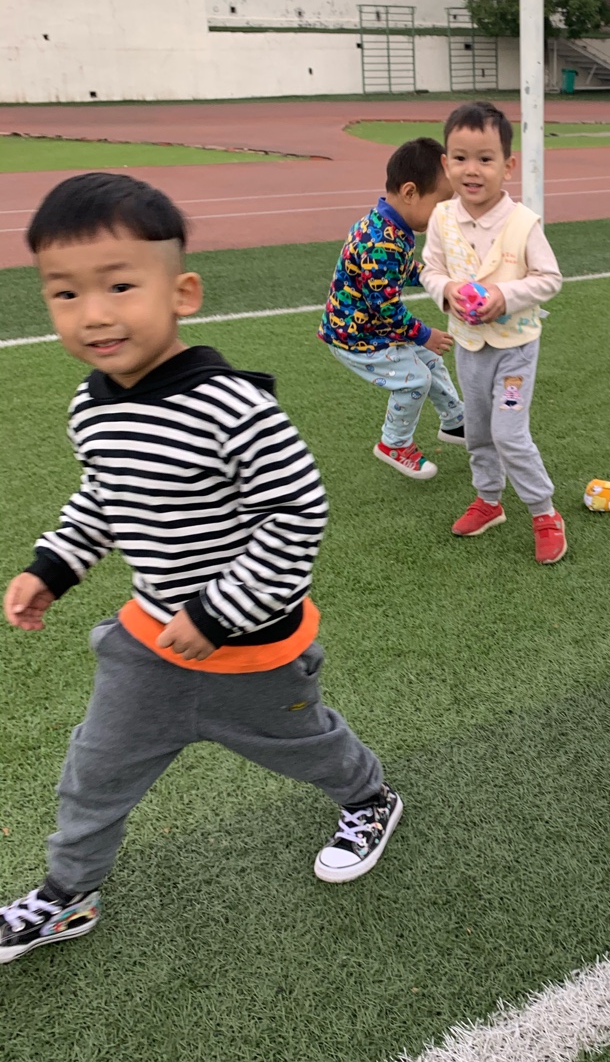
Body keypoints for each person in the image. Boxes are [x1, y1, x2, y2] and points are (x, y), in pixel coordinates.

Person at [1, 172, 402, 965]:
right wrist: (54, 564)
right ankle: (67, 894)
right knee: (94, 770)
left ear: (182, 292)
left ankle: (369, 798)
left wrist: (219, 611)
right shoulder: (92, 406)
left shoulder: (233, 407)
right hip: (149, 644)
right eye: (66, 293)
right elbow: (103, 496)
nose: (94, 313)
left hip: (253, 651)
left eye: (120, 285)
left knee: (307, 746)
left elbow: (299, 512)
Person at [420, 101, 567, 564]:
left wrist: (505, 296)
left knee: (508, 432)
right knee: (478, 430)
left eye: (485, 159)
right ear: (446, 163)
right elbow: (429, 270)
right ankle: (489, 500)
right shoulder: (442, 218)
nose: (472, 170)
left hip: (514, 352)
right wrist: (448, 291)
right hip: (469, 348)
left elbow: (549, 279)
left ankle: (544, 512)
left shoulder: (522, 223)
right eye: (460, 158)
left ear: (508, 166)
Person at [319, 136, 464, 481]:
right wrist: (424, 334)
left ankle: (455, 422)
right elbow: (386, 307)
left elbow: (401, 269)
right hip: (355, 336)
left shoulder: (392, 227)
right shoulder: (379, 240)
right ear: (410, 192)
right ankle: (393, 444)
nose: (445, 214)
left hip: (374, 327)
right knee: (415, 380)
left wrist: (436, 276)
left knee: (431, 362)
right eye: (441, 203)